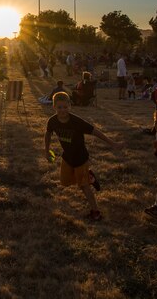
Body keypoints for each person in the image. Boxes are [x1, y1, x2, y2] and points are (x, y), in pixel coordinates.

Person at [45, 92, 123, 221]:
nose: (62, 110)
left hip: (81, 158)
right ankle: (90, 177)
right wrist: (47, 150)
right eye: (59, 107)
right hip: (67, 157)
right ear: (54, 107)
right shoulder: (52, 121)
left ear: (70, 106)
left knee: (83, 186)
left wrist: (112, 143)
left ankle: (95, 212)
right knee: (64, 182)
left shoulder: (76, 121)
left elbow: (95, 131)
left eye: (65, 107)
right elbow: (48, 134)